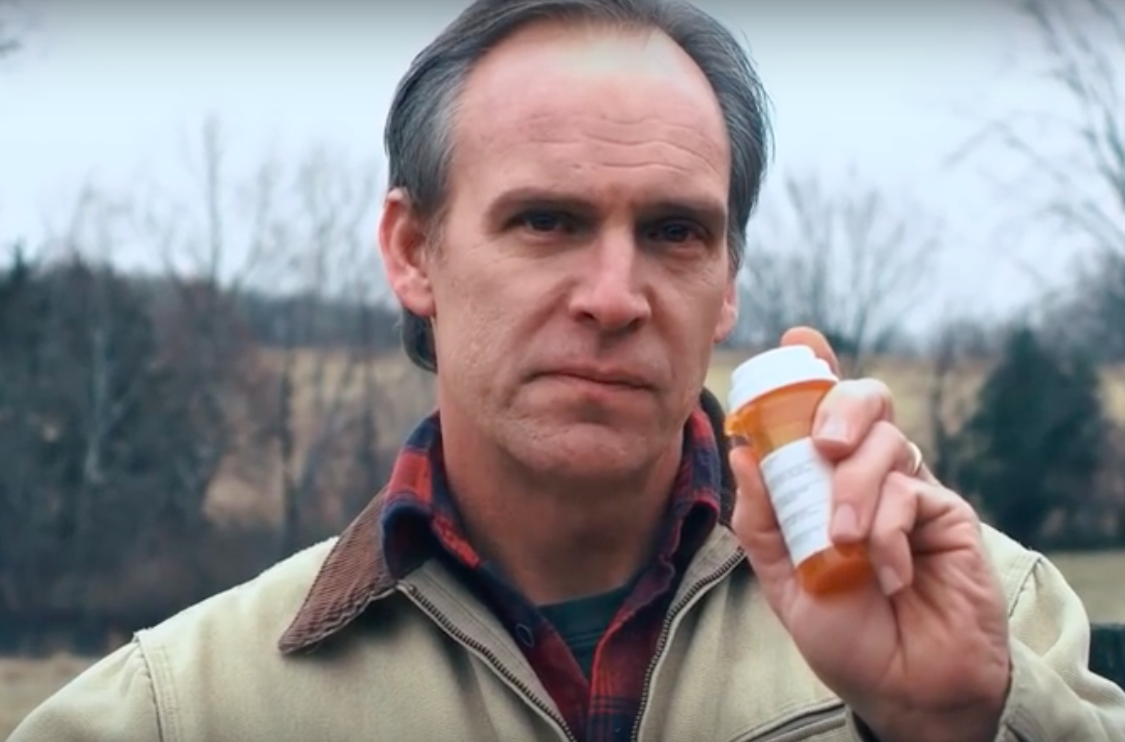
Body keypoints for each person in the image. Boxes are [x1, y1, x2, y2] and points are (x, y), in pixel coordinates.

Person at [10, 1, 1125, 740]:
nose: (613, 293)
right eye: (545, 220)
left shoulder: (981, 623)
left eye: (675, 232)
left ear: (729, 279)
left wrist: (967, 723)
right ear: (412, 251)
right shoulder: (189, 710)